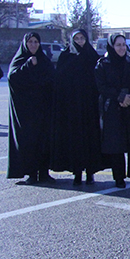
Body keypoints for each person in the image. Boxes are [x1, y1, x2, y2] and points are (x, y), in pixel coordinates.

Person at [50, 29, 103, 185]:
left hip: (89, 105)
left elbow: (99, 78)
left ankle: (90, 172)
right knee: (75, 140)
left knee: (90, 139)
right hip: (72, 107)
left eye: (82, 38)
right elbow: (59, 80)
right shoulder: (66, 56)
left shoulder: (92, 56)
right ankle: (77, 172)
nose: (80, 41)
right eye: (77, 38)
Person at [95, 34, 130, 188]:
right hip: (113, 108)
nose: (121, 48)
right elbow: (101, 86)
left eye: (123, 45)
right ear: (112, 46)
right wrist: (120, 97)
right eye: (118, 45)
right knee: (116, 144)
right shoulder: (103, 64)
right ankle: (119, 177)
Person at [7, 32, 55, 185]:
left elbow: (52, 79)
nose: (33, 45)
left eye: (36, 42)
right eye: (30, 42)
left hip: (42, 109)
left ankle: (44, 172)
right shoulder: (20, 60)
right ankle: (31, 173)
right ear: (25, 44)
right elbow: (13, 78)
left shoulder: (44, 60)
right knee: (29, 141)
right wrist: (28, 65)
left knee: (44, 141)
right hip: (26, 111)